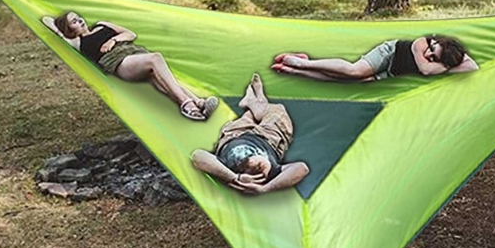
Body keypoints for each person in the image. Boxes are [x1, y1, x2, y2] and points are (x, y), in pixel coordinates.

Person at [42, 12, 218, 122]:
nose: (79, 20)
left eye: (77, 17)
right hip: (120, 62)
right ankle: (187, 103)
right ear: (69, 29)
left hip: (135, 53)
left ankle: (197, 105)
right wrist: (61, 28)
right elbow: (47, 20)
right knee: (155, 58)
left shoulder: (102, 24)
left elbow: (130, 34)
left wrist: (113, 40)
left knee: (162, 80)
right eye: (73, 21)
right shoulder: (77, 42)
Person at [191, 73, 309, 195]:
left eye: (255, 164)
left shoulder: (228, 165)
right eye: (260, 166)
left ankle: (254, 105)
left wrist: (233, 177)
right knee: (279, 111)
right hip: (269, 139)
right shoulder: (271, 171)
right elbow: (302, 168)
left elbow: (198, 156)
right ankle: (257, 103)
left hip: (233, 135)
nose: (259, 163)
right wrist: (266, 188)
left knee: (248, 117)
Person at [271, 35, 479, 82]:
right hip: (389, 53)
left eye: (434, 57)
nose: (428, 54)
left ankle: (296, 70)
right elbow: (425, 70)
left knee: (347, 80)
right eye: (433, 49)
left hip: (390, 72)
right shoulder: (421, 43)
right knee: (355, 71)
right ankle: (302, 62)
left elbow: (473, 67)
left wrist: (448, 62)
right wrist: (445, 65)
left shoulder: (440, 60)